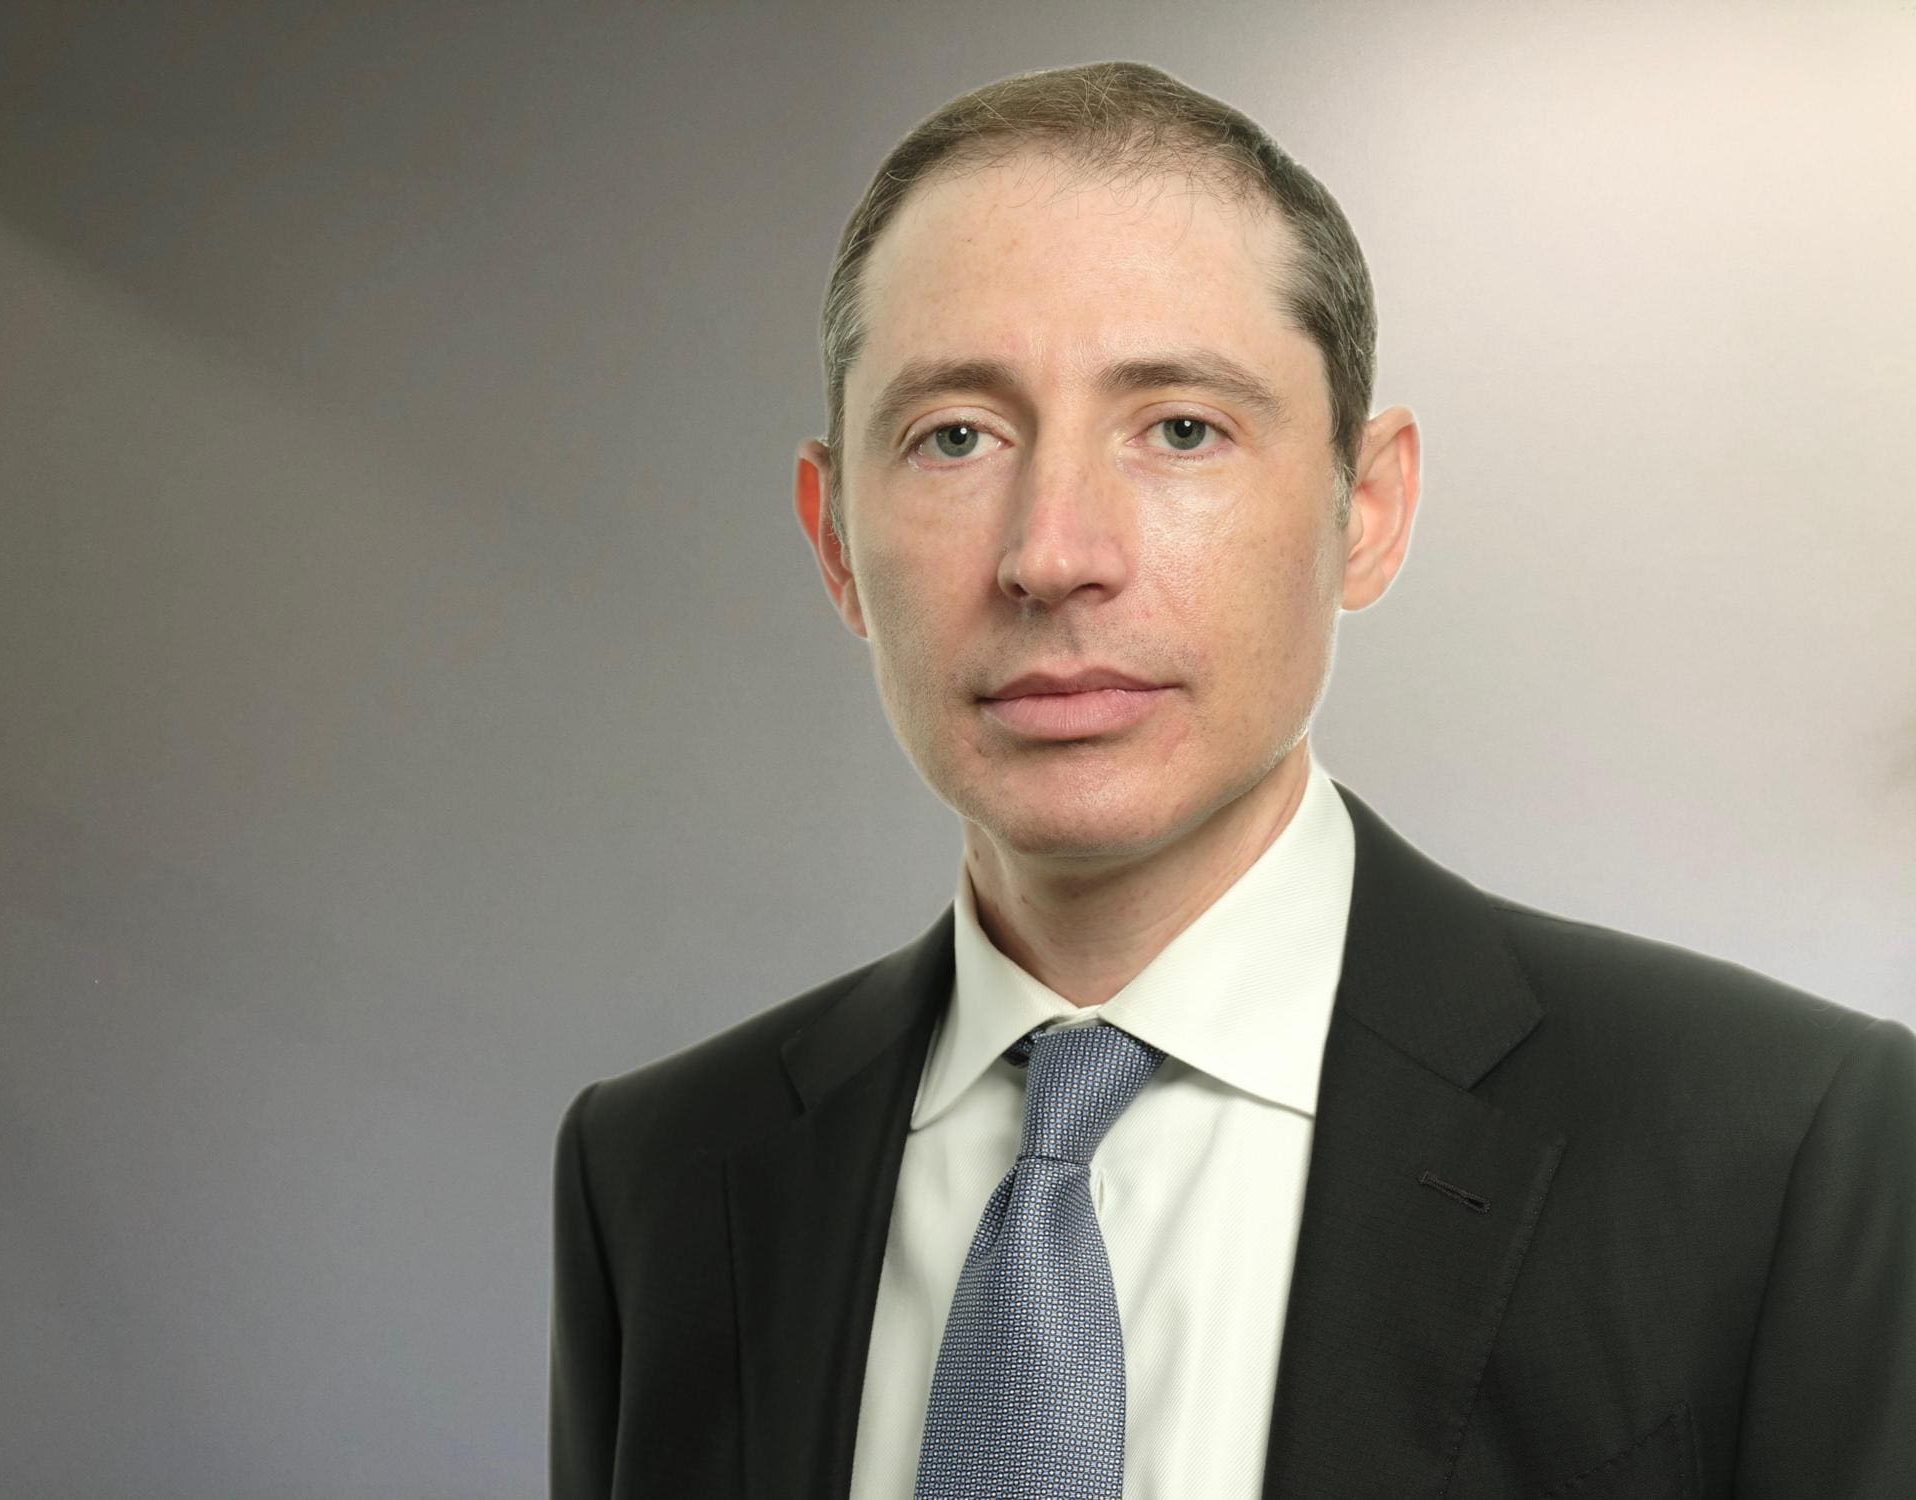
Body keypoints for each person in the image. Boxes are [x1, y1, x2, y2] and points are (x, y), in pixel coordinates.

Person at [549, 60, 1915, 1499]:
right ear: (835, 542)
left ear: (1368, 510)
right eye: (956, 435)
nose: (1054, 550)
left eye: (1182, 428)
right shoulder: (659, 1178)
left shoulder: (1790, 1150)